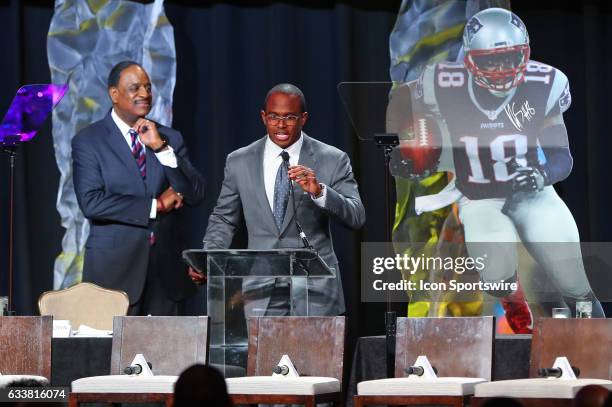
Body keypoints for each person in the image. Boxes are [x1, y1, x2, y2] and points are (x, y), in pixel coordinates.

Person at [393, 7, 605, 328]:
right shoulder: (443, 85)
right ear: (470, 59)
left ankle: (601, 354)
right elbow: (423, 135)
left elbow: (562, 156)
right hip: (480, 197)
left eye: (510, 57)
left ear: (526, 52)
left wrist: (541, 174)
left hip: (533, 194)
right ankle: (519, 316)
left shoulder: (543, 83)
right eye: (491, 60)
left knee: (574, 282)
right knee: (495, 276)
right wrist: (416, 157)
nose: (503, 69)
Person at [193, 83, 365, 316]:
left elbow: (356, 216)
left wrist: (319, 192)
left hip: (315, 290)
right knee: (265, 354)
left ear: (303, 118)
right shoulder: (239, 161)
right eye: (274, 117)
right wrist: (208, 258)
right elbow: (224, 218)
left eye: (290, 117)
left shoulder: (332, 159)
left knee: (314, 353)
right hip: (260, 289)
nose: (281, 125)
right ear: (263, 117)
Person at [72, 61, 205, 315]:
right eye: (135, 88)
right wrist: (155, 206)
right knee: (114, 355)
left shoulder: (169, 137)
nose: (144, 94)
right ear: (114, 94)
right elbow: (92, 202)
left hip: (166, 278)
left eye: (148, 87)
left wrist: (161, 149)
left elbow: (195, 193)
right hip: (114, 275)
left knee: (169, 353)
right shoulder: (89, 141)